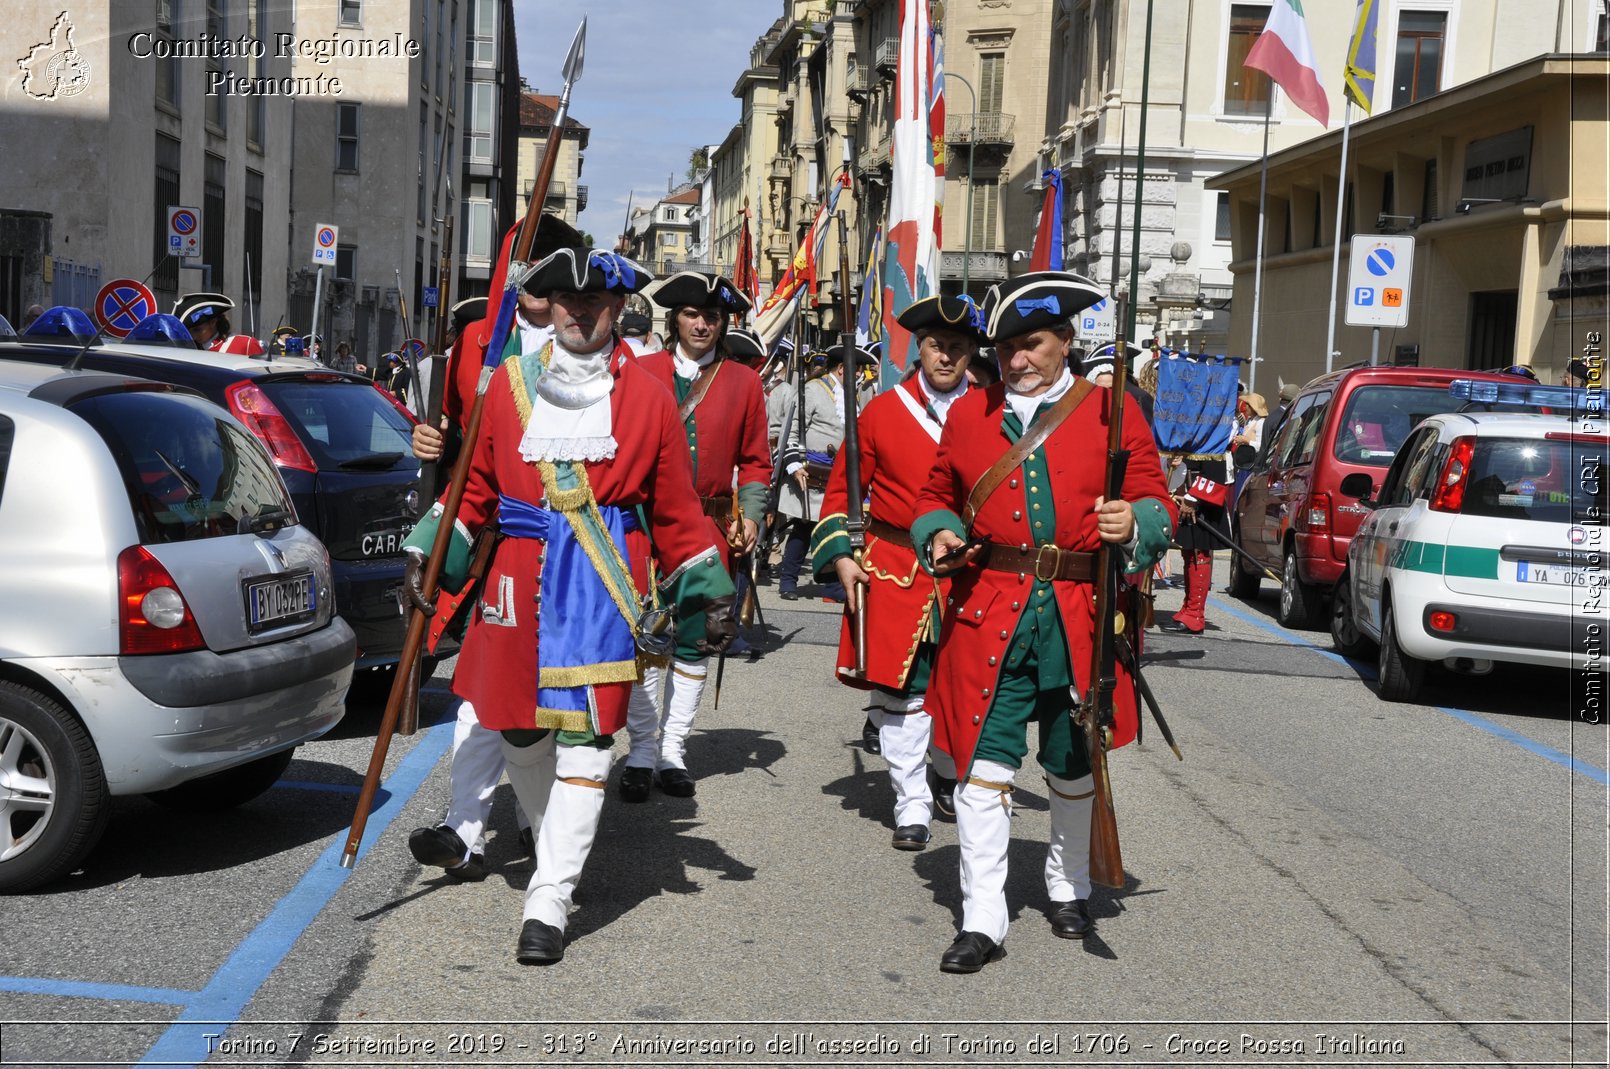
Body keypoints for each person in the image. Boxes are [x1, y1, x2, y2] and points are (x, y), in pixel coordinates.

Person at [400, 245, 735, 966]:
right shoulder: (508, 385)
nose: (580, 313)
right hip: (517, 581)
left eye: (595, 304)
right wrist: (432, 551)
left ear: (616, 309)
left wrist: (706, 592)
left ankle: (549, 899)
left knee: (586, 743)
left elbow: (675, 508)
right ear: (549, 306)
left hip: (601, 583)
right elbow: (476, 492)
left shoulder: (648, 396)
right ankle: (554, 843)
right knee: (519, 734)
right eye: (566, 301)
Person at [909, 271, 1175, 973]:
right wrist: (937, 531)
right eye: (1005, 349)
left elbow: (1157, 501)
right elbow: (937, 492)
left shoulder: (1112, 411)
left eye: (1030, 345)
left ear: (1065, 341)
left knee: (1070, 761)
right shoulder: (970, 413)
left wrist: (1133, 522)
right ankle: (982, 916)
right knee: (982, 768)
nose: (1015, 361)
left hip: (1079, 615)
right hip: (986, 610)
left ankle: (1069, 883)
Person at [405, 216, 587, 884]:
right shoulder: (479, 341)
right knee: (479, 696)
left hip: (573, 554)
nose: (531, 275)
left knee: (558, 708)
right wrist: (436, 444)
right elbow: (469, 450)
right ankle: (465, 830)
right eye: (524, 259)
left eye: (548, 263)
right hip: (497, 549)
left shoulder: (596, 345)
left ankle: (549, 832)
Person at [810, 295, 985, 849]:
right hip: (894, 570)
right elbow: (840, 495)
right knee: (904, 693)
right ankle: (911, 802)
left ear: (971, 353)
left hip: (970, 575)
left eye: (958, 348)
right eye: (936, 346)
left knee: (959, 689)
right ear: (919, 349)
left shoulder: (990, 413)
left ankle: (949, 775)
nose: (946, 358)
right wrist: (841, 556)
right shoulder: (881, 412)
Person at [622, 272, 770, 801]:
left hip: (709, 529)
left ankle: (672, 753)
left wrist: (750, 514)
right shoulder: (640, 371)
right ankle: (640, 753)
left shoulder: (745, 383)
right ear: (674, 320)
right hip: (642, 525)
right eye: (690, 314)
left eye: (711, 316)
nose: (701, 323)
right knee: (644, 640)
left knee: (696, 640)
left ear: (723, 321)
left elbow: (755, 463)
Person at [776, 345, 872, 602]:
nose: (860, 376)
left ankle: (831, 586)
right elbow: (791, 431)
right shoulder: (810, 391)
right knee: (803, 527)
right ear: (842, 369)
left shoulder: (850, 395)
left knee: (834, 527)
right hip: (811, 471)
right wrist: (795, 466)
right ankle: (788, 580)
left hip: (839, 474)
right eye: (857, 371)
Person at [173, 292, 262, 354]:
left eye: (197, 330)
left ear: (213, 322)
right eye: (189, 332)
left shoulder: (245, 344)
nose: (193, 336)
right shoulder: (188, 351)